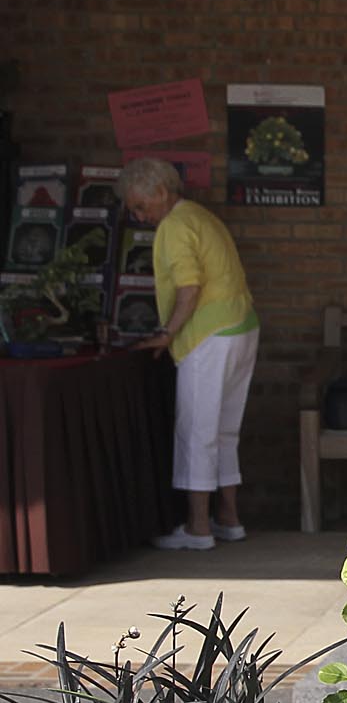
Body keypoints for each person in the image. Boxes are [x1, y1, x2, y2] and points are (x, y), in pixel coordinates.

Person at [115, 158, 260, 551]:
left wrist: (167, 334)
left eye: (141, 207)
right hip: (242, 326)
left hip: (208, 334)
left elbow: (189, 287)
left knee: (197, 431)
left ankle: (198, 527)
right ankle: (229, 518)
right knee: (225, 430)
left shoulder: (175, 225)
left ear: (161, 192)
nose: (139, 216)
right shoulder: (201, 216)